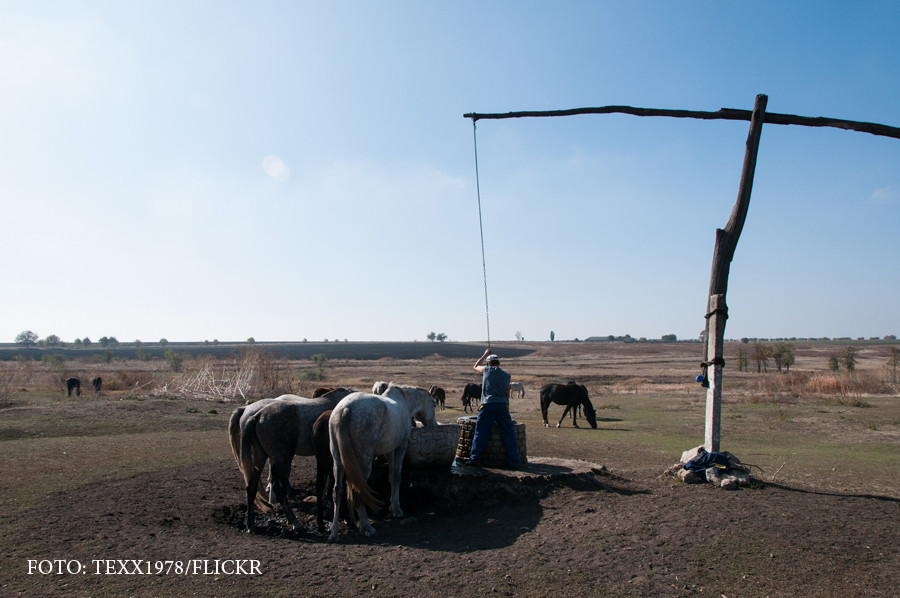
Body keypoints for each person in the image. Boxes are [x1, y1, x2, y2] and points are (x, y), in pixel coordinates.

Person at [468, 348, 520, 469]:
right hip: (502, 406)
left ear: (489, 363)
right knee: (508, 432)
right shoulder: (507, 376)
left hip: (487, 405)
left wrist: (485, 354)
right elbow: (508, 393)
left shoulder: (486, 370)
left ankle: (475, 459)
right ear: (498, 363)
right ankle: (514, 461)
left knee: (481, 432)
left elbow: (475, 366)